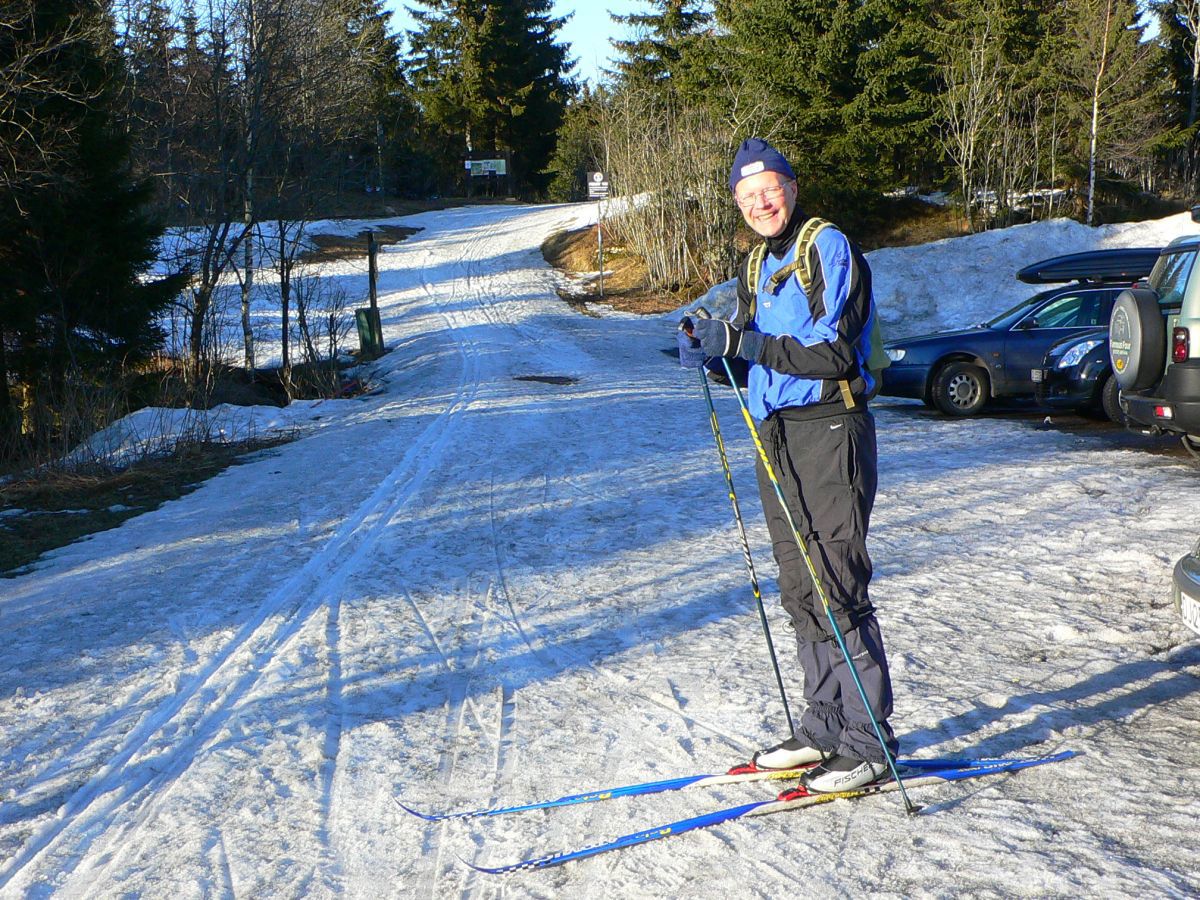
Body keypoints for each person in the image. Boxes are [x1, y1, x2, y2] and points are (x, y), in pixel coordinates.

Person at [678, 137, 898, 793]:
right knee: (800, 589)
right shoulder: (756, 266)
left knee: (836, 586)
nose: (761, 201)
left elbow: (832, 352)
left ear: (792, 188)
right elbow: (758, 357)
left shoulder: (825, 247)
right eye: (748, 195)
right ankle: (824, 727)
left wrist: (744, 342)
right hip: (775, 434)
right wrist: (715, 353)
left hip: (830, 427)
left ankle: (867, 742)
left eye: (770, 187)